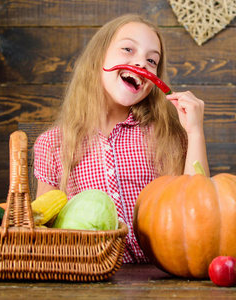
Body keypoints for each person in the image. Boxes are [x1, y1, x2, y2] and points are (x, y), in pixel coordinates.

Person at [33, 14, 210, 263]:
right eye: (128, 49)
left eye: (152, 60)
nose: (141, 64)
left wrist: (195, 131)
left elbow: (200, 209)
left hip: (161, 278)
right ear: (99, 58)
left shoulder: (167, 135)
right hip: (87, 275)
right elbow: (42, 226)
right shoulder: (53, 144)